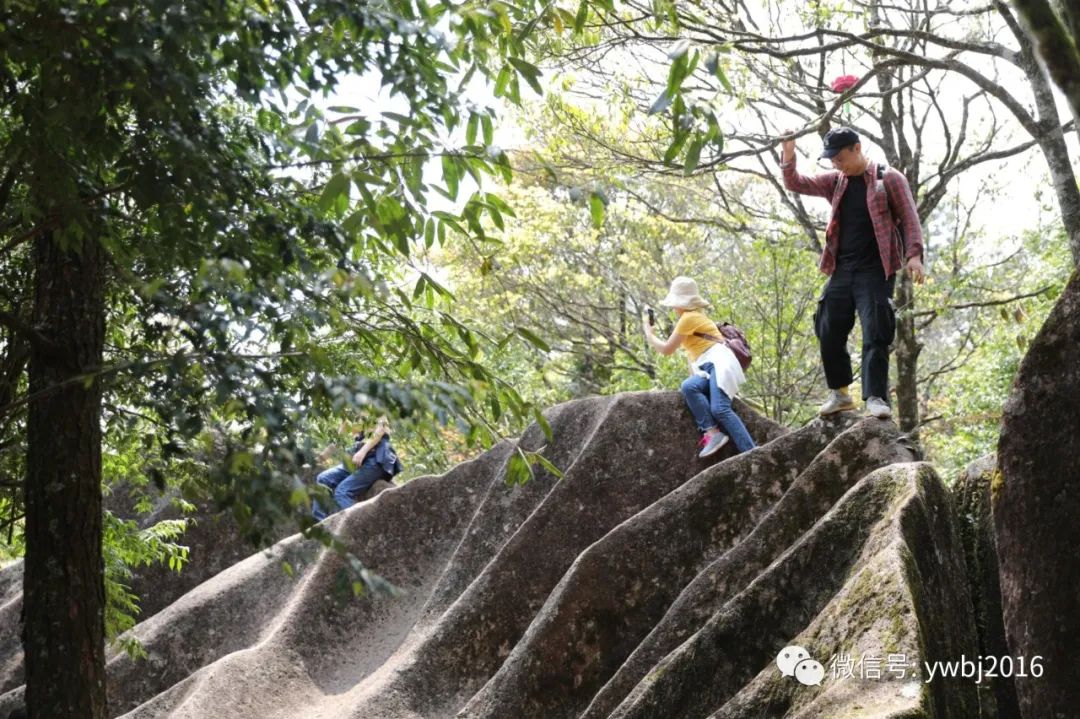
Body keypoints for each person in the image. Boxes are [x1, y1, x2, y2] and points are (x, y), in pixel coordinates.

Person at [780, 127, 926, 419]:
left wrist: (915, 255)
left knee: (876, 330)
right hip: (842, 268)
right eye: (831, 159)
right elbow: (796, 182)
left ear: (857, 148)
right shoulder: (836, 182)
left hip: (876, 269)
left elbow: (910, 217)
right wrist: (788, 151)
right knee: (827, 325)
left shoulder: (889, 179)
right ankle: (840, 393)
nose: (836, 163)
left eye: (840, 157)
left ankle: (875, 397)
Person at [644, 276, 756, 458]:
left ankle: (752, 452)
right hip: (709, 368)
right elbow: (693, 361)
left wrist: (649, 334)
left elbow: (666, 349)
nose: (673, 308)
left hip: (719, 363)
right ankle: (712, 434)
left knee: (720, 409)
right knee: (689, 386)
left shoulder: (688, 318)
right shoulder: (692, 319)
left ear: (680, 303)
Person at [312, 415, 403, 521]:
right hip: (357, 462)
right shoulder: (350, 415)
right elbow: (337, 440)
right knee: (323, 478)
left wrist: (362, 451)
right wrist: (320, 458)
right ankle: (322, 523)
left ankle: (356, 527)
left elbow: (379, 433)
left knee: (342, 492)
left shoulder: (377, 410)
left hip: (376, 460)